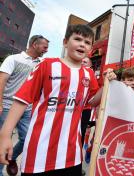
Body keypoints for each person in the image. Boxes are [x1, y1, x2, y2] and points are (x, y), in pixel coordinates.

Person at [0, 24, 115, 175]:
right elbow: (22, 99)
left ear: (90, 48)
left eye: (87, 42)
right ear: (65, 42)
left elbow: (92, 101)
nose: (82, 44)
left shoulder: (89, 74)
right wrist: (5, 135)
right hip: (39, 153)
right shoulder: (46, 65)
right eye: (77, 39)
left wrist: (107, 84)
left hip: (71, 154)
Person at [0, 35, 49, 176]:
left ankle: (11, 158)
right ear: (34, 44)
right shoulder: (13, 59)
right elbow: (2, 80)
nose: (46, 50)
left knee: (27, 138)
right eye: (44, 47)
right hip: (8, 106)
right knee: (3, 140)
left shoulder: (42, 63)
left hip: (27, 108)